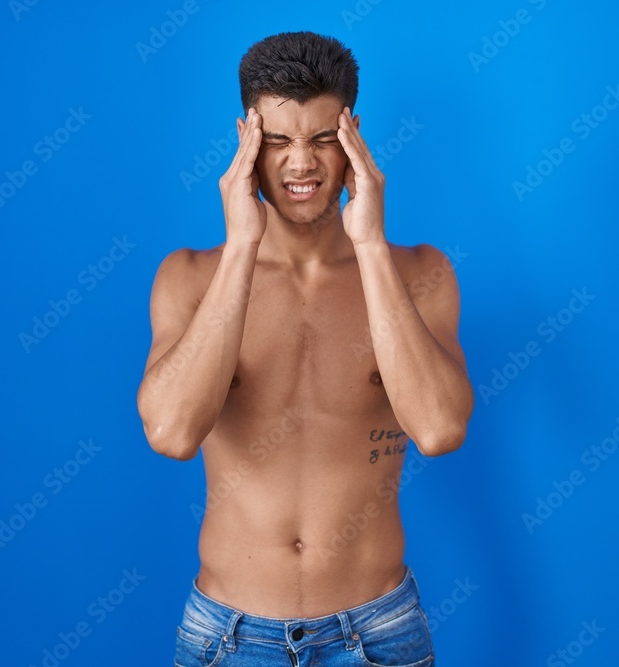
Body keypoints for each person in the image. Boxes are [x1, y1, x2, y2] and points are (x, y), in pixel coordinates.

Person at [137, 30, 473, 667]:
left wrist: (369, 245)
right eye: (277, 141)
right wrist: (242, 244)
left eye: (322, 139)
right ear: (246, 139)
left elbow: (438, 430)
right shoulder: (188, 277)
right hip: (228, 636)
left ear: (353, 138)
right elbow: (172, 434)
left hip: (377, 630)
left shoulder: (421, 272)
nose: (301, 163)